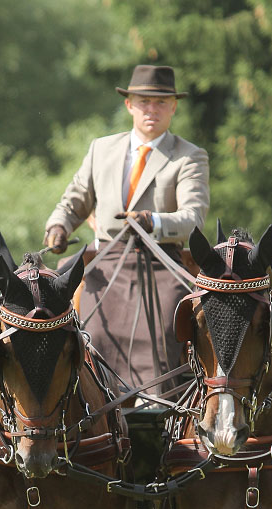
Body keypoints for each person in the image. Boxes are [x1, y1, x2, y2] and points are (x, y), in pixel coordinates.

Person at [44, 64, 209, 387]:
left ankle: (161, 405)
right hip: (105, 261)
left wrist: (154, 221)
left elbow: (193, 219)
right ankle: (85, 399)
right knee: (68, 315)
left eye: (161, 102)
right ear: (129, 105)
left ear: (173, 107)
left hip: (162, 263)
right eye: (144, 101)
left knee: (165, 328)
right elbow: (73, 201)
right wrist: (59, 226)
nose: (152, 109)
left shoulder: (189, 157)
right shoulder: (101, 149)